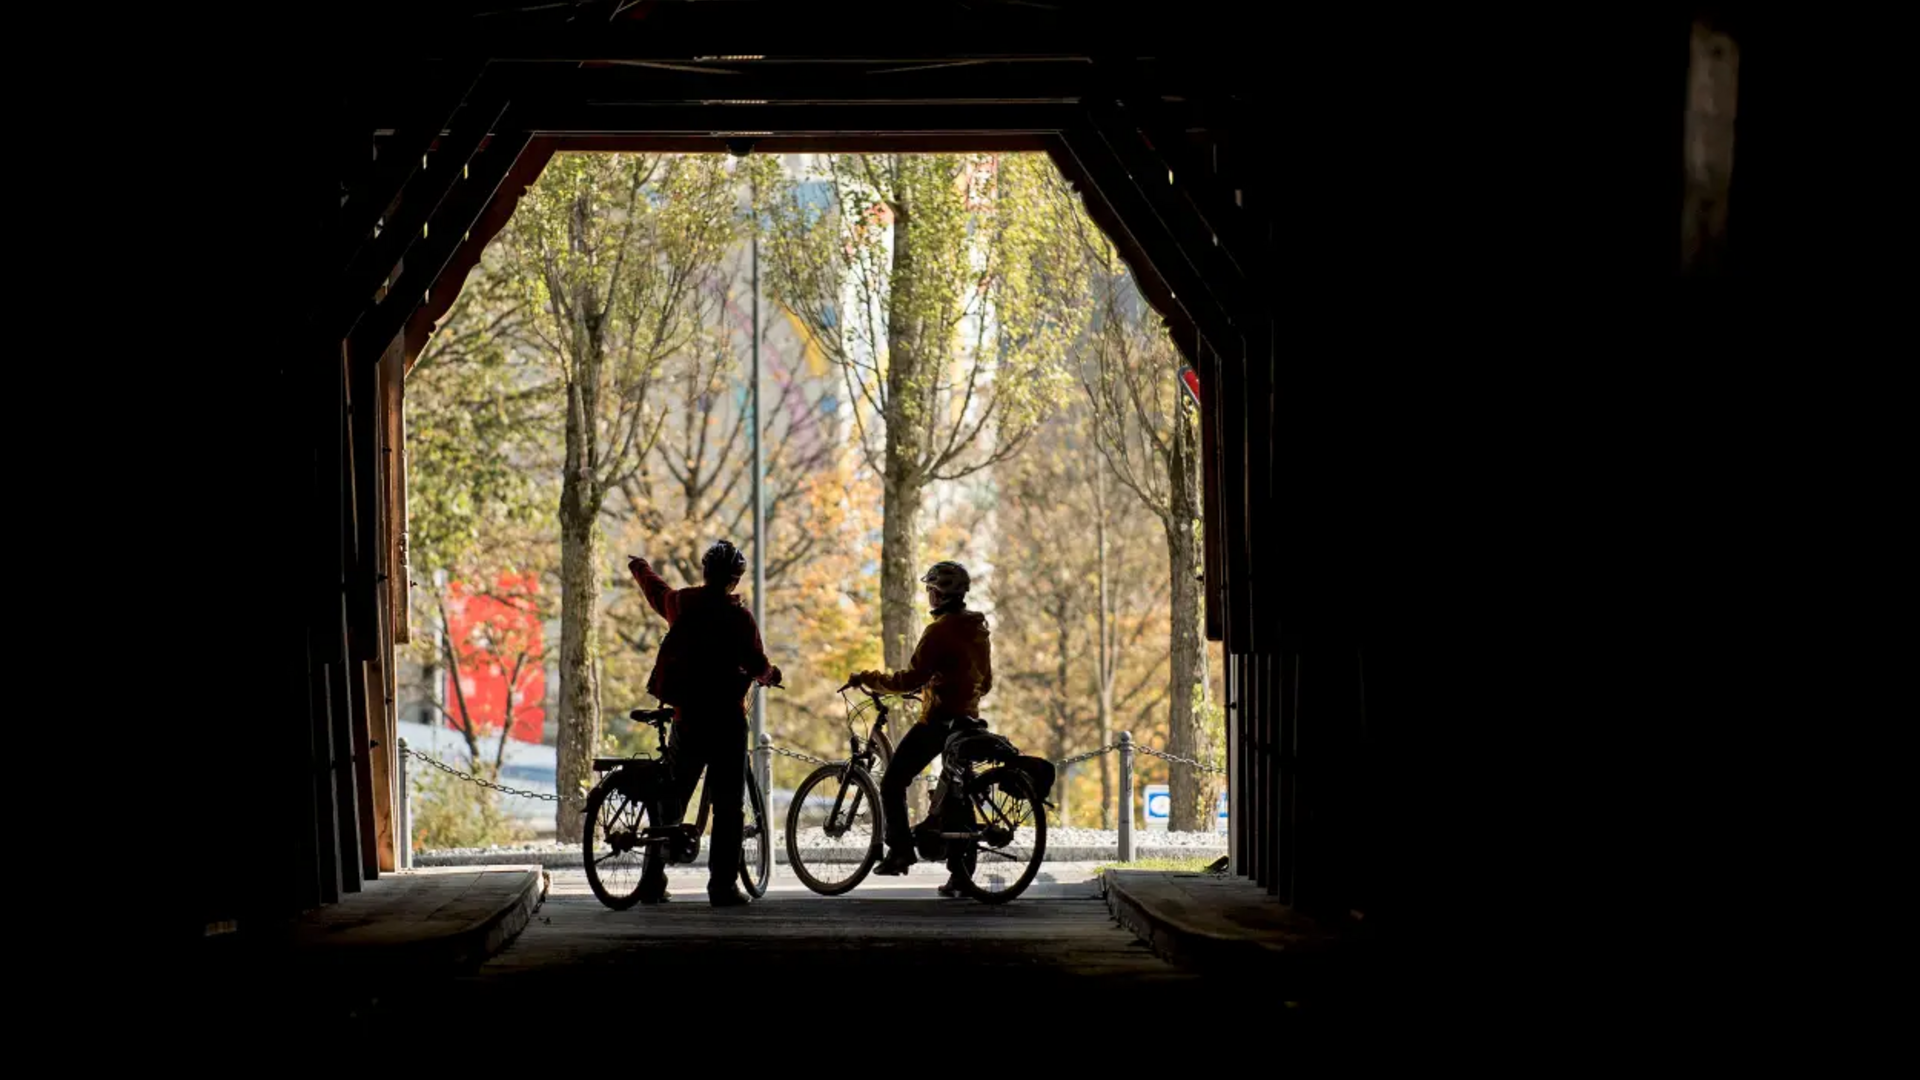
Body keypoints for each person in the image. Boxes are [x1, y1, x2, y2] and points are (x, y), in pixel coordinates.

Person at [627, 540, 782, 907]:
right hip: (727, 721)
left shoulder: (682, 604)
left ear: (704, 571)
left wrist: (640, 569)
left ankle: (652, 880)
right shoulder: (739, 618)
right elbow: (757, 663)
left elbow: (657, 591)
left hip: (688, 717)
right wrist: (770, 675)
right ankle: (723, 887)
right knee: (729, 806)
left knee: (673, 797)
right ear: (735, 579)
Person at [846, 560, 993, 893]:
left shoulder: (938, 630)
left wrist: (869, 678)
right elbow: (985, 682)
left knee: (893, 782)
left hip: (939, 720)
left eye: (930, 590)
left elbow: (908, 679)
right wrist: (943, 686)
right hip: (968, 720)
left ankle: (900, 852)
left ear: (938, 595)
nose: (928, 596)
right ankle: (961, 875)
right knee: (958, 795)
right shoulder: (978, 629)